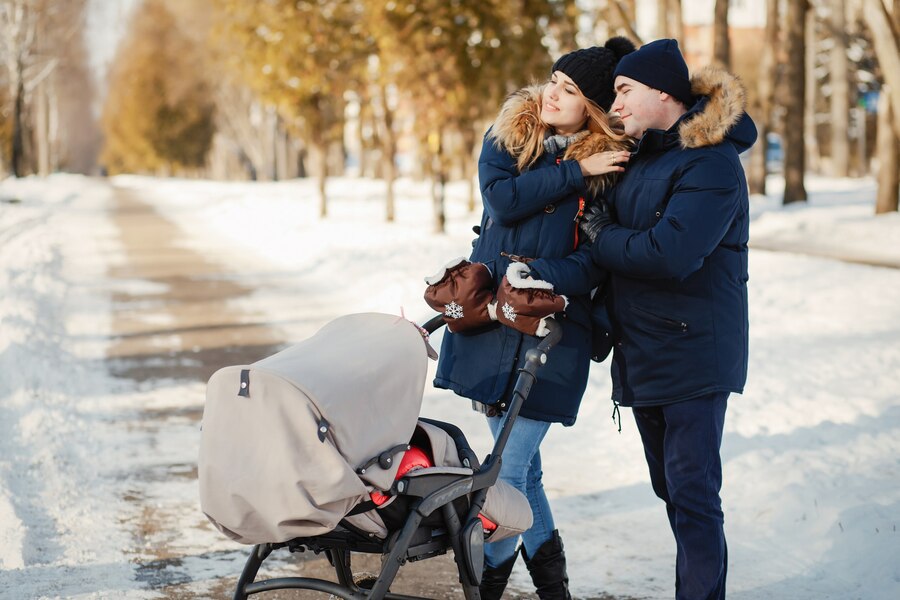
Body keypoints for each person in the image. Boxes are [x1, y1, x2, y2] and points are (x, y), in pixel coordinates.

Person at [431, 38, 636, 599]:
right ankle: (553, 590)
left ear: (591, 108)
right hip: (491, 325)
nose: (552, 93)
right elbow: (502, 200)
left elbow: (593, 260)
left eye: (569, 90)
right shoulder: (509, 137)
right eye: (553, 79)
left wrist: (535, 271)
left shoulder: (611, 169)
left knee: (505, 472)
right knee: (524, 474)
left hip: (551, 332)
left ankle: (486, 587)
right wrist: (573, 172)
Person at [579, 39, 757, 600]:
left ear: (664, 93)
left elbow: (670, 254)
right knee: (672, 491)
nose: (617, 106)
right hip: (645, 350)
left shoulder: (711, 161)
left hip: (694, 354)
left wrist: (602, 235)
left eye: (625, 91)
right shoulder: (641, 160)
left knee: (694, 494)